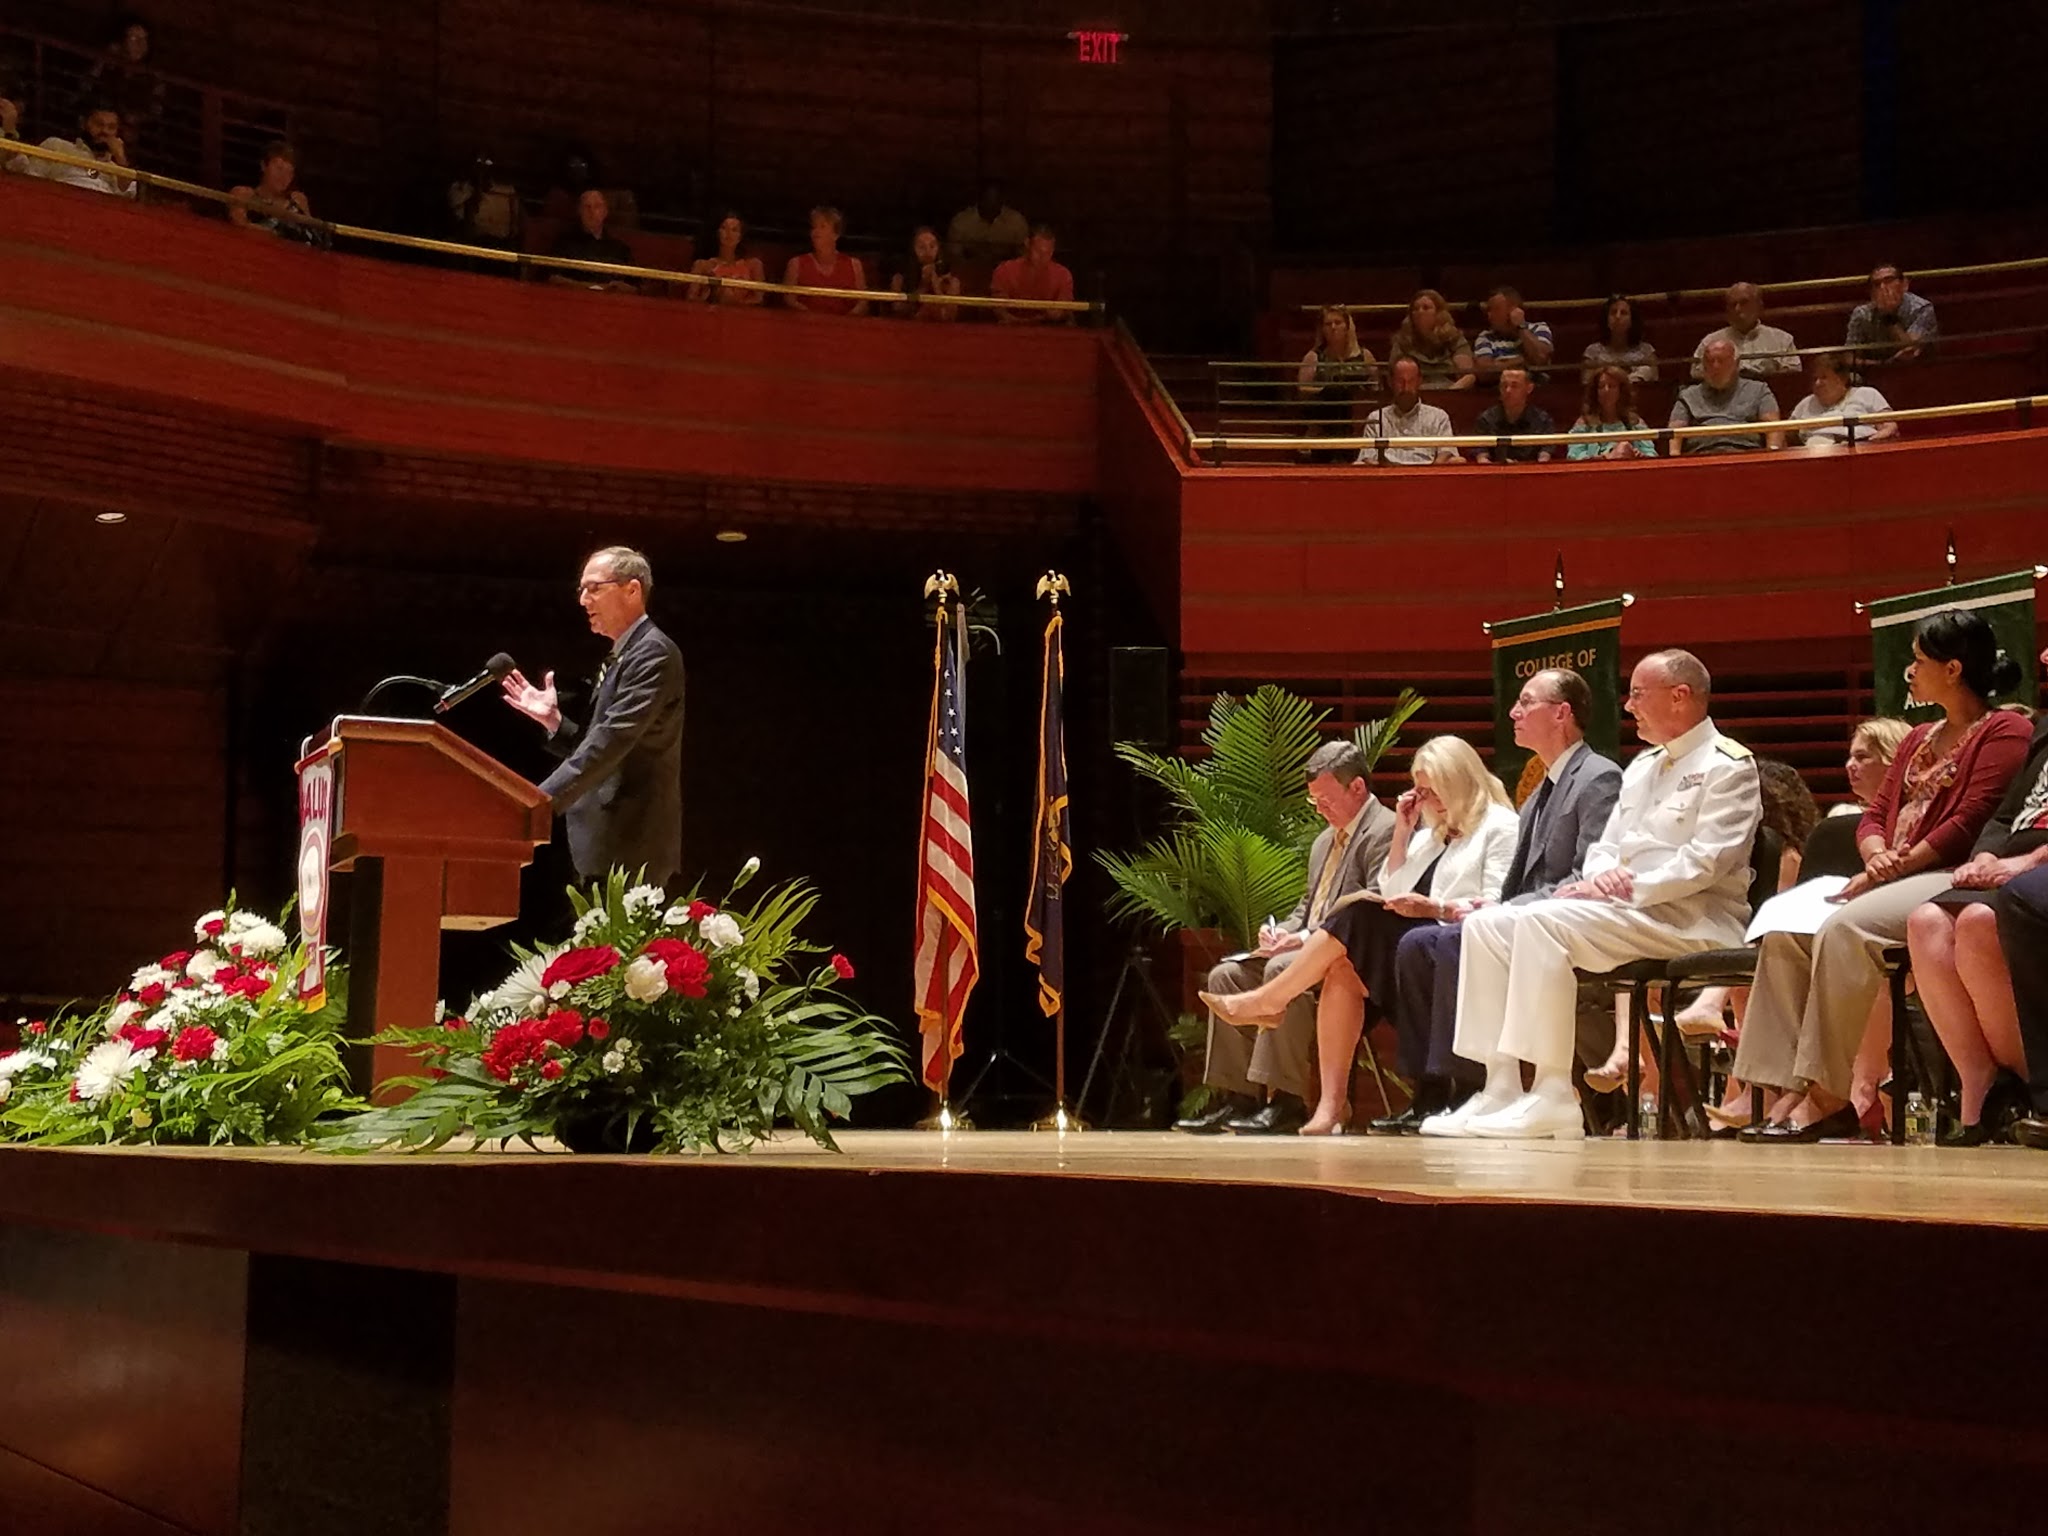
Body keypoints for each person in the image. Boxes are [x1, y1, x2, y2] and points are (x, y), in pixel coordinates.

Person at [1429, 650, 1761, 1140]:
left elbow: (1707, 860)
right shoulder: (1643, 766)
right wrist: (1602, 877)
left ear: (1679, 696)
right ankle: (1500, 1084)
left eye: (1639, 695)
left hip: (1693, 920)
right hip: (1628, 913)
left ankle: (1553, 1091)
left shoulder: (1728, 765)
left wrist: (1629, 886)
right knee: (1486, 925)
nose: (1629, 706)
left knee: (1538, 922)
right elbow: (1606, 846)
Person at [1734, 611, 2029, 1142]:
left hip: (1949, 876)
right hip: (1892, 874)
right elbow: (1873, 816)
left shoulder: (2005, 730)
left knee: (1846, 930)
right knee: (1786, 936)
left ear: (1953, 669)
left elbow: (1971, 821)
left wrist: (1894, 865)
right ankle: (1778, 1092)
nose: (1909, 672)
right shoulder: (1917, 737)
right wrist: (1875, 857)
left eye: (1919, 661)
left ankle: (1830, 1095)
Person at [1202, 737, 1520, 1135]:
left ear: (1458, 779)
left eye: (1432, 789)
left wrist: (1436, 907)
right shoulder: (1432, 832)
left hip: (1461, 939)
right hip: (1419, 941)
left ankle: (1270, 1001)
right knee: (1343, 971)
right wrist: (1404, 832)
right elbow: (1391, 891)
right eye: (1419, 790)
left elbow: (1496, 903)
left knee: (1355, 914)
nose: (1424, 799)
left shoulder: (1499, 825)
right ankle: (1330, 1107)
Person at [1372, 673, 1622, 1132]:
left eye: (1526, 702)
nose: (1513, 712)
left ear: (1562, 713)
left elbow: (1586, 876)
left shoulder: (1598, 776)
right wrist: (1491, 908)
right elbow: (1513, 887)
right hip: (1535, 917)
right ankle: (1496, 1084)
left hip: (1573, 920)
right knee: (1462, 931)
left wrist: (1498, 909)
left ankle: (1519, 1087)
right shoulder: (1539, 793)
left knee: (1465, 932)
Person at [1173, 740, 1398, 1136]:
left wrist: (1305, 939)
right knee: (1227, 975)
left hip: (1355, 963)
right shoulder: (1324, 841)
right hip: (1307, 950)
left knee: (1281, 967)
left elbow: (1374, 907)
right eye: (1314, 801)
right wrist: (1282, 931)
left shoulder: (1386, 830)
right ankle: (1237, 1097)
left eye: (1326, 799)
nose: (1320, 809)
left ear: (1357, 787)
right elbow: (1308, 907)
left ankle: (1287, 1101)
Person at [1907, 652, 2048, 1142]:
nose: (2045, 657)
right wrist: (1986, 855)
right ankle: (1980, 1080)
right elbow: (2006, 813)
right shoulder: (2046, 730)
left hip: (2037, 864)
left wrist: (2026, 862)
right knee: (1925, 921)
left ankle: (2029, 1086)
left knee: (1976, 923)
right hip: (2010, 859)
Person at [500, 547, 685, 890]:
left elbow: (611, 742)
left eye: (594, 588)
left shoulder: (652, 653)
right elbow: (602, 743)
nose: (584, 600)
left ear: (632, 589)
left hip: (631, 847)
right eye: (582, 589)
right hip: (607, 846)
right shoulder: (625, 653)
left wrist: (535, 803)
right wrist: (555, 722)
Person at [1295, 307, 1377, 462]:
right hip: (1324, 422)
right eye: (1328, 324)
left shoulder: (1365, 356)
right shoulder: (1313, 357)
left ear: (1347, 326)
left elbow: (1375, 388)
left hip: (1356, 423)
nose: (1333, 327)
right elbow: (1302, 392)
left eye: (1338, 322)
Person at [1670, 339, 1780, 454]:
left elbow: (1773, 428)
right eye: (1710, 361)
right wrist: (1674, 458)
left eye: (1721, 361)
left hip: (1747, 454)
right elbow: (1674, 431)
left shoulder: (1759, 390)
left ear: (1736, 364)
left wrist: (1772, 456)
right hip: (1701, 456)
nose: (1715, 366)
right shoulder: (1687, 395)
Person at [1354, 358, 1460, 466]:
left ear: (1419, 381)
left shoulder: (1438, 417)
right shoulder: (1377, 418)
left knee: (1458, 461)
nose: (1406, 388)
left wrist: (1432, 470)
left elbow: (1447, 451)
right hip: (1388, 472)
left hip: (1427, 471)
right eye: (1400, 381)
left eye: (1411, 381)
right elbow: (1367, 456)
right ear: (1390, 382)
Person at [24, 103, 137, 198]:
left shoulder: (117, 170)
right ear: (83, 123)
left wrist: (120, 158)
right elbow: (30, 180)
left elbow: (126, 196)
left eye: (111, 127)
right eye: (99, 124)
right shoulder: (56, 146)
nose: (104, 131)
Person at [1789, 350, 1897, 447]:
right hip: (1817, 449)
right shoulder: (1806, 403)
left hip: (1862, 446)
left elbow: (1889, 426)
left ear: (1842, 378)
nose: (1817, 383)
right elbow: (1787, 433)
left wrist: (1872, 442)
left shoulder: (1868, 394)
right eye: (1814, 378)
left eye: (1824, 377)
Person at [1692, 282, 1798, 378]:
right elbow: (1696, 374)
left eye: (1744, 302)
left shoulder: (1782, 339)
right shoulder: (1710, 342)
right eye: (1733, 304)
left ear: (1759, 306)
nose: (1737, 309)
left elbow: (1794, 375)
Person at [229, 141, 320, 244]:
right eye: (279, 168)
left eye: (289, 172)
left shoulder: (297, 201)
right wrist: (274, 234)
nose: (283, 177)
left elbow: (313, 238)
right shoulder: (244, 194)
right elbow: (239, 226)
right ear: (264, 166)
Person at [783, 207, 868, 316]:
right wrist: (812, 318)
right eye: (814, 227)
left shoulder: (854, 265)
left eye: (822, 226)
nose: (815, 232)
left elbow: (863, 303)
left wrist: (845, 320)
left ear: (836, 234)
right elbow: (789, 300)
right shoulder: (795, 264)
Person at [1845, 264, 1937, 364]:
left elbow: (1910, 350)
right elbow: (1849, 358)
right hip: (1875, 369)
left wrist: (1889, 317)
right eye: (1876, 284)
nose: (1883, 287)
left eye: (1889, 281)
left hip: (1918, 368)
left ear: (1904, 285)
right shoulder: (1861, 313)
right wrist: (1882, 364)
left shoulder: (1922, 308)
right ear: (1871, 293)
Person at [549, 189, 636, 290]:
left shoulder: (620, 249)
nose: (592, 212)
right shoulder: (564, 243)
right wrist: (588, 287)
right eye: (587, 207)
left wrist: (618, 288)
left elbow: (635, 286)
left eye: (597, 206)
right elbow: (552, 277)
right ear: (579, 211)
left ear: (605, 212)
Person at [1388, 289, 1475, 389]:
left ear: (1438, 312)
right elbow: (1393, 376)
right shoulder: (1402, 341)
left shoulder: (1454, 337)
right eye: (1415, 309)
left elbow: (1468, 375)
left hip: (1451, 390)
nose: (1420, 311)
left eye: (1426, 308)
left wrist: (1449, 392)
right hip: (1415, 392)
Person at [1567, 366, 1658, 460]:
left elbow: (1651, 453)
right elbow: (1574, 456)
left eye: (1612, 386)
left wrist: (1640, 455)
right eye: (1601, 386)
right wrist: (1606, 457)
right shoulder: (1584, 424)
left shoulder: (1634, 422)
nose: (1606, 390)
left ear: (1621, 391)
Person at [991, 224, 1075, 324]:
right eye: (1038, 251)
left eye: (1048, 253)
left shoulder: (1063, 275)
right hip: (1010, 327)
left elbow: (1064, 307)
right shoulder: (1004, 270)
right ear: (1027, 244)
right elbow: (998, 307)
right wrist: (1012, 320)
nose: (1042, 257)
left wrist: (1058, 313)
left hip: (1047, 327)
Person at [1472, 285, 1554, 384]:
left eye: (1495, 309)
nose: (1489, 315)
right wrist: (1523, 361)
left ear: (1513, 310)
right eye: (1488, 310)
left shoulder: (1539, 328)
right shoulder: (1486, 337)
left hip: (1536, 388)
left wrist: (1521, 328)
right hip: (1502, 389)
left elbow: (1540, 359)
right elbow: (1484, 373)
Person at [1472, 367, 1556, 463]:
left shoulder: (1543, 420)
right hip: (1496, 470)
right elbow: (1482, 457)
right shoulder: (1486, 419)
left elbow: (1544, 456)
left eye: (1514, 386)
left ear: (1529, 388)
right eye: (1504, 385)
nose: (1508, 390)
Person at [688, 211, 765, 304]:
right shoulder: (702, 265)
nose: (729, 233)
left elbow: (759, 299)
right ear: (718, 232)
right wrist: (707, 296)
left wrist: (736, 302)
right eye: (724, 228)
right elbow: (691, 299)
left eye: (734, 230)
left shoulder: (753, 265)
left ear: (740, 236)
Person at [945, 181, 1029, 267]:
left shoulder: (1017, 222)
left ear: (1002, 201)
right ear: (979, 199)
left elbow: (1024, 255)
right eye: (987, 200)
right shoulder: (961, 222)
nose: (991, 205)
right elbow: (954, 256)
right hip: (970, 269)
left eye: (996, 201)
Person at [1580, 294, 1658, 385]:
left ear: (1632, 320)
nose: (1617, 316)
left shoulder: (1646, 351)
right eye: (1613, 312)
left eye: (1623, 313)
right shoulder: (1593, 353)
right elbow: (1587, 383)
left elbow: (1654, 385)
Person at [887, 226, 961, 321]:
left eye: (932, 246)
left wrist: (936, 287)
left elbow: (951, 316)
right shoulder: (899, 279)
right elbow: (897, 310)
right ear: (913, 250)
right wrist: (923, 286)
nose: (928, 252)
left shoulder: (951, 281)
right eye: (922, 247)